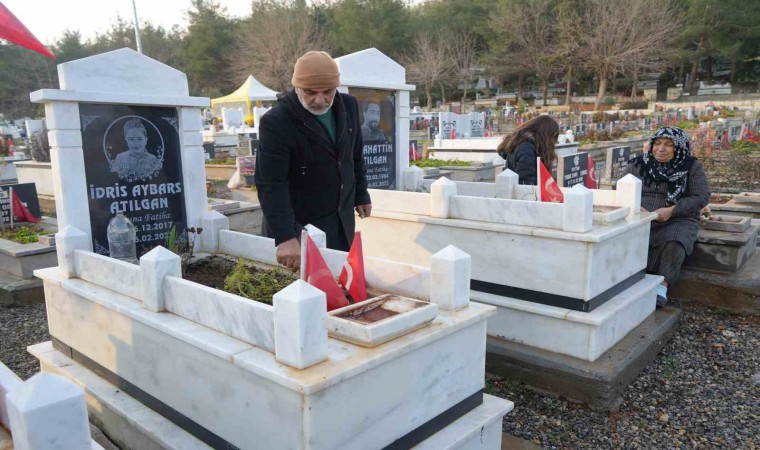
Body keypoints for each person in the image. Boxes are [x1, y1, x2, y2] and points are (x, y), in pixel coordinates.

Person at [254, 51, 372, 270]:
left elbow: (354, 154)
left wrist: (361, 194)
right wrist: (285, 236)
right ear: (296, 87)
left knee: (340, 285)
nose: (320, 100)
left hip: (340, 219)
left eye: (327, 92)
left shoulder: (348, 106)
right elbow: (270, 183)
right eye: (310, 92)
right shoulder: (278, 122)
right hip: (300, 225)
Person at [624, 126, 711, 307]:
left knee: (675, 240)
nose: (661, 149)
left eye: (668, 145)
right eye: (657, 143)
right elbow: (621, 188)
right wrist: (633, 205)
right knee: (624, 238)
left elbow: (701, 196)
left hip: (678, 217)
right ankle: (627, 279)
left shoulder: (691, 166)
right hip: (641, 216)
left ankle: (661, 286)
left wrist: (673, 210)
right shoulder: (638, 164)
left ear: (678, 147)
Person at [496, 115, 560, 185]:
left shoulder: (525, 144)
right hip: (524, 193)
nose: (553, 141)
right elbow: (526, 181)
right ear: (545, 134)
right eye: (552, 135)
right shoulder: (526, 147)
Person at [111, 118, 162, 182]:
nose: (135, 144)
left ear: (146, 140)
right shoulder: (120, 158)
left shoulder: (152, 159)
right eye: (131, 139)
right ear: (126, 140)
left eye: (139, 139)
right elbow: (115, 178)